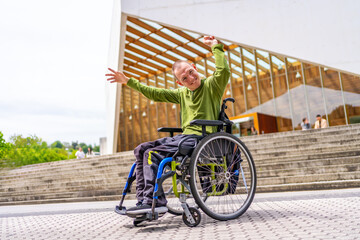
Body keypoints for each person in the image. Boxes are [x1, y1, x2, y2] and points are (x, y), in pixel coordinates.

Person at [105, 36, 230, 213]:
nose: (190, 78)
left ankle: (155, 202)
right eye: (184, 78)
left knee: (152, 154)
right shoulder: (182, 94)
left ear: (195, 68)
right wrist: (128, 82)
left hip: (201, 138)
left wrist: (215, 47)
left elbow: (223, 70)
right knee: (141, 149)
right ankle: (144, 201)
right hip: (186, 137)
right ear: (180, 82)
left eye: (190, 72)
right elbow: (155, 93)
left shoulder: (212, 86)